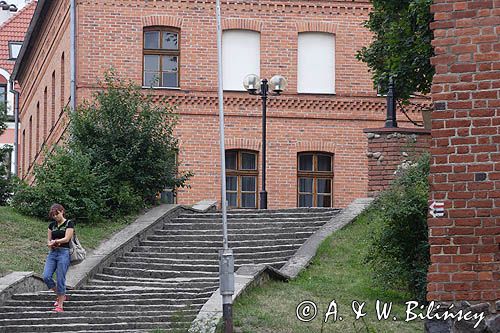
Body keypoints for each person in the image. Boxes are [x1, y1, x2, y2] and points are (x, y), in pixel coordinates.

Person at [42, 203, 74, 313]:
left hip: (64, 253)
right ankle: (61, 295)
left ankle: (60, 305)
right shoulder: (51, 225)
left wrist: (56, 241)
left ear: (62, 211)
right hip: (53, 253)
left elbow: (67, 238)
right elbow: (48, 239)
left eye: (57, 214)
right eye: (53, 215)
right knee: (46, 276)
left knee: (60, 278)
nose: (55, 217)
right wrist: (50, 243)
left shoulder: (69, 223)